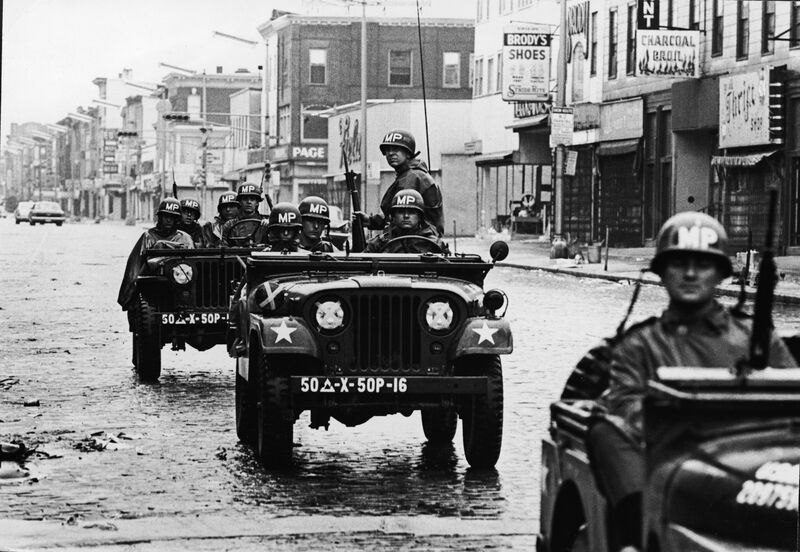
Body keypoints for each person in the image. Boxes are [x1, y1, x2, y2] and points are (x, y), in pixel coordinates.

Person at [587, 212, 797, 552]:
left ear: (719, 274)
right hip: (670, 467)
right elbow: (628, 410)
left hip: (753, 463)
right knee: (604, 430)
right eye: (678, 263)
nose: (689, 273)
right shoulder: (638, 345)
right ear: (661, 272)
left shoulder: (757, 340)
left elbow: (793, 403)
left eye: (702, 264)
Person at [357, 129, 444, 236]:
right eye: (388, 150)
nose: (391, 153)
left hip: (417, 241)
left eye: (396, 149)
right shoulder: (410, 175)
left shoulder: (412, 178)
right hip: (417, 237)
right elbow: (398, 215)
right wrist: (372, 221)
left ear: (408, 153)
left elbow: (404, 217)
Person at [117, 197, 194, 311]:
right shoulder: (148, 236)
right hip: (155, 284)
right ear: (160, 217)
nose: (168, 220)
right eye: (165, 216)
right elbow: (135, 266)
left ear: (176, 219)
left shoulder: (184, 237)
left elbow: (192, 262)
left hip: (181, 282)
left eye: (172, 217)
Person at [364, 189, 444, 253]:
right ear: (394, 216)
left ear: (419, 217)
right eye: (401, 212)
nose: (406, 216)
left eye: (411, 212)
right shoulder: (380, 243)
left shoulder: (433, 243)